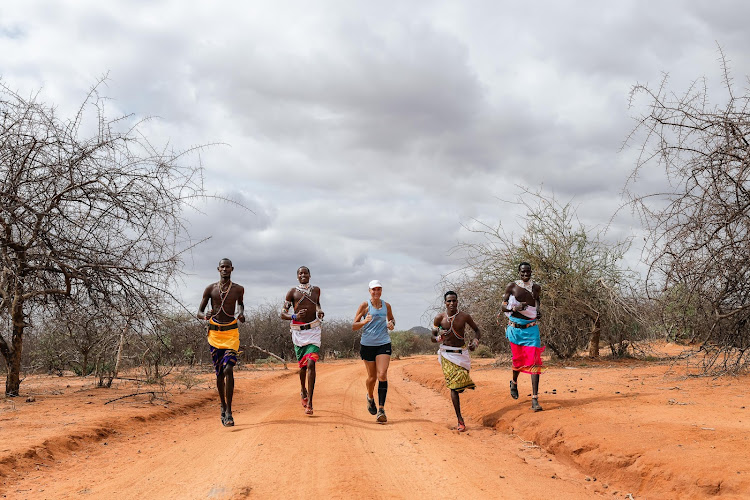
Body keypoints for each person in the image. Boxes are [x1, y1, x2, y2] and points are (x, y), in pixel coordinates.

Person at [197, 258, 246, 426]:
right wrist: (205, 316)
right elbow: (199, 311)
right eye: (222, 267)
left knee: (229, 369)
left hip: (231, 333)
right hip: (215, 335)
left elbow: (241, 305)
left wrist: (241, 314)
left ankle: (230, 412)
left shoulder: (239, 289)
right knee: (219, 373)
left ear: (232, 268)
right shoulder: (210, 289)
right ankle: (223, 406)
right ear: (218, 269)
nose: (225, 269)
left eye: (228, 267)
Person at [431, 291, 481, 432]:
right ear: (445, 303)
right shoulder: (439, 318)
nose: (451, 303)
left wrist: (475, 342)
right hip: (446, 354)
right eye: (449, 301)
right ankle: (460, 420)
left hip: (462, 354)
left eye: (454, 301)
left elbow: (477, 330)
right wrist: (438, 338)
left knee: (460, 384)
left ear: (457, 301)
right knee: (453, 386)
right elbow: (432, 337)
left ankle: (460, 416)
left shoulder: (464, 317)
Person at [501, 262, 545, 411]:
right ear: (519, 272)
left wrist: (538, 310)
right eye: (523, 272)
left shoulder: (536, 287)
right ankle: (514, 382)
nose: (525, 274)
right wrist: (515, 308)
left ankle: (535, 399)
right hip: (515, 329)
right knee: (518, 361)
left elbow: (537, 300)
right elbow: (502, 307)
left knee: (535, 362)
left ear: (531, 272)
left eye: (528, 272)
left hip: (532, 329)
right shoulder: (512, 287)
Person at [280, 266, 324, 415]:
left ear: (310, 275)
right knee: (303, 368)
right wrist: (294, 316)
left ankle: (310, 403)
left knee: (311, 363)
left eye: (305, 273)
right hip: (298, 333)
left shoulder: (316, 290)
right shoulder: (292, 292)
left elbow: (317, 304)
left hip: (313, 331)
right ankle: (303, 390)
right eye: (300, 273)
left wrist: (319, 311)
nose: (303, 275)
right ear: (297, 276)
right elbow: (283, 314)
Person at [352, 280, 395, 423]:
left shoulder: (386, 305)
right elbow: (354, 326)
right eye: (374, 290)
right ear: (369, 291)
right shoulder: (365, 305)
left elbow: (392, 319)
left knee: (382, 374)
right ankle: (370, 397)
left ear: (381, 291)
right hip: (367, 344)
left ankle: (381, 409)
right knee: (372, 378)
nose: (376, 292)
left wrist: (391, 324)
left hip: (383, 342)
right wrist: (364, 322)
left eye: (379, 289)